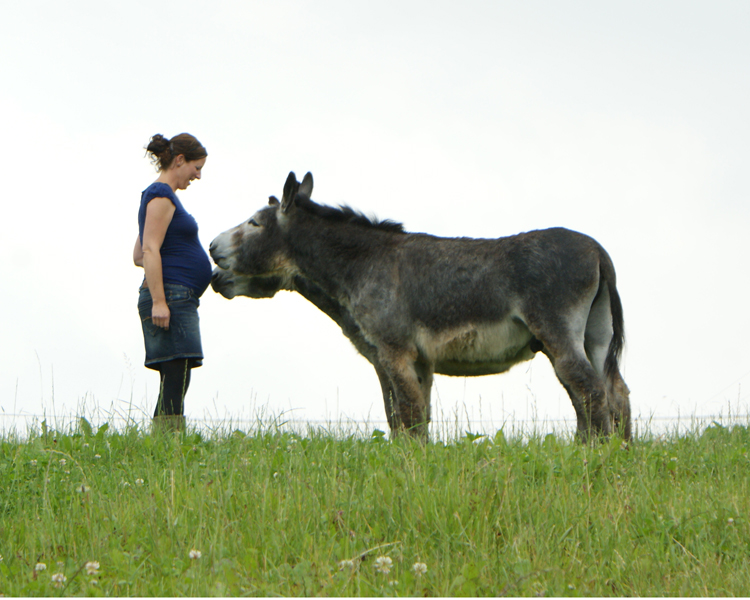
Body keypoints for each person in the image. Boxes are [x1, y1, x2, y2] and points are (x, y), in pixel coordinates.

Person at [133, 133, 212, 432]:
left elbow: (138, 253)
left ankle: (164, 443)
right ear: (180, 160)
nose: (198, 175)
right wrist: (160, 301)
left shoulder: (159, 198)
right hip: (171, 296)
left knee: (176, 374)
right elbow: (149, 251)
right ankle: (167, 445)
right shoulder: (161, 196)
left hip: (177, 295)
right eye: (196, 167)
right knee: (176, 375)